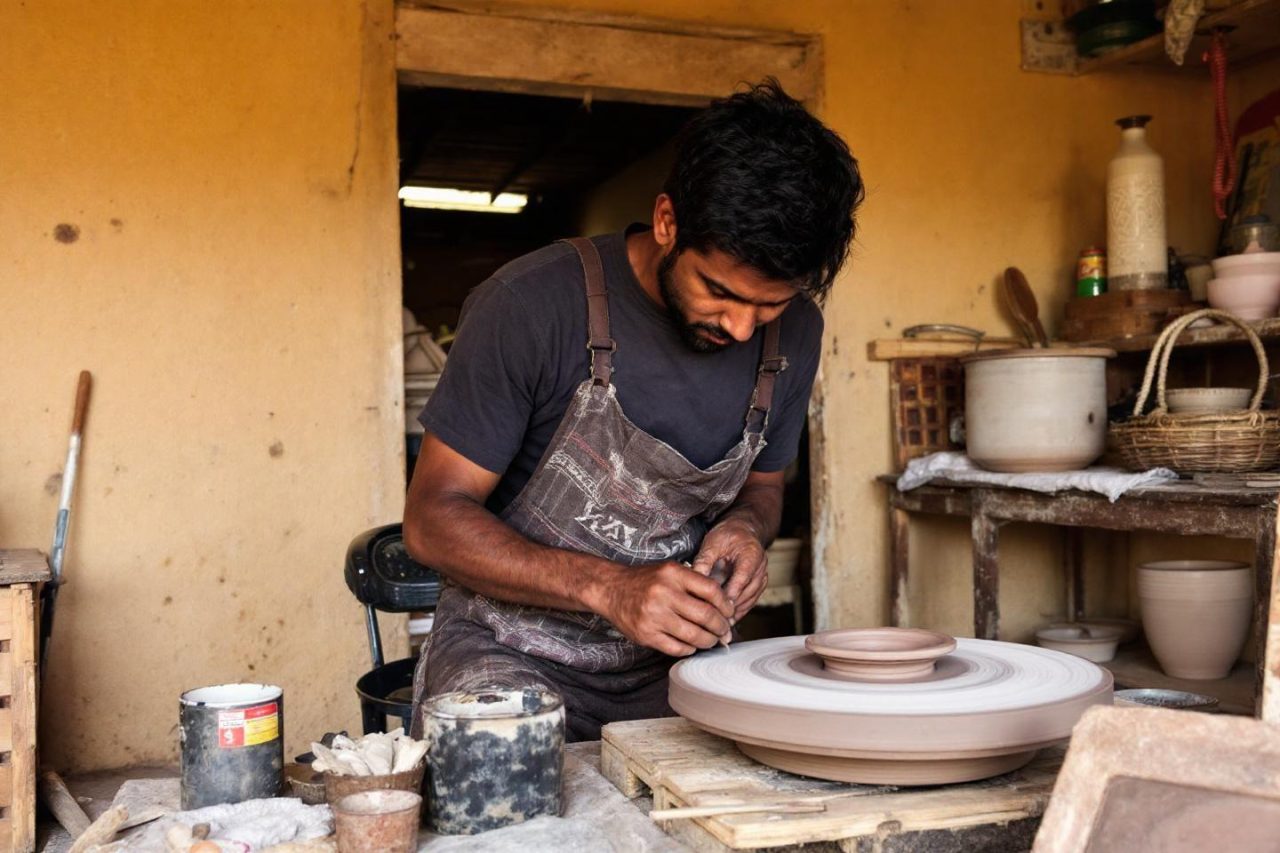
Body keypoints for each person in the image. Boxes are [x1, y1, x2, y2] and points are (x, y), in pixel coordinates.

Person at [406, 79, 864, 741]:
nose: (740, 328)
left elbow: (764, 487)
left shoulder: (795, 336)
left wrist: (745, 529)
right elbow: (430, 520)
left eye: (768, 305)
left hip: (673, 666)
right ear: (667, 222)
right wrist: (608, 586)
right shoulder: (531, 305)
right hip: (505, 652)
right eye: (718, 291)